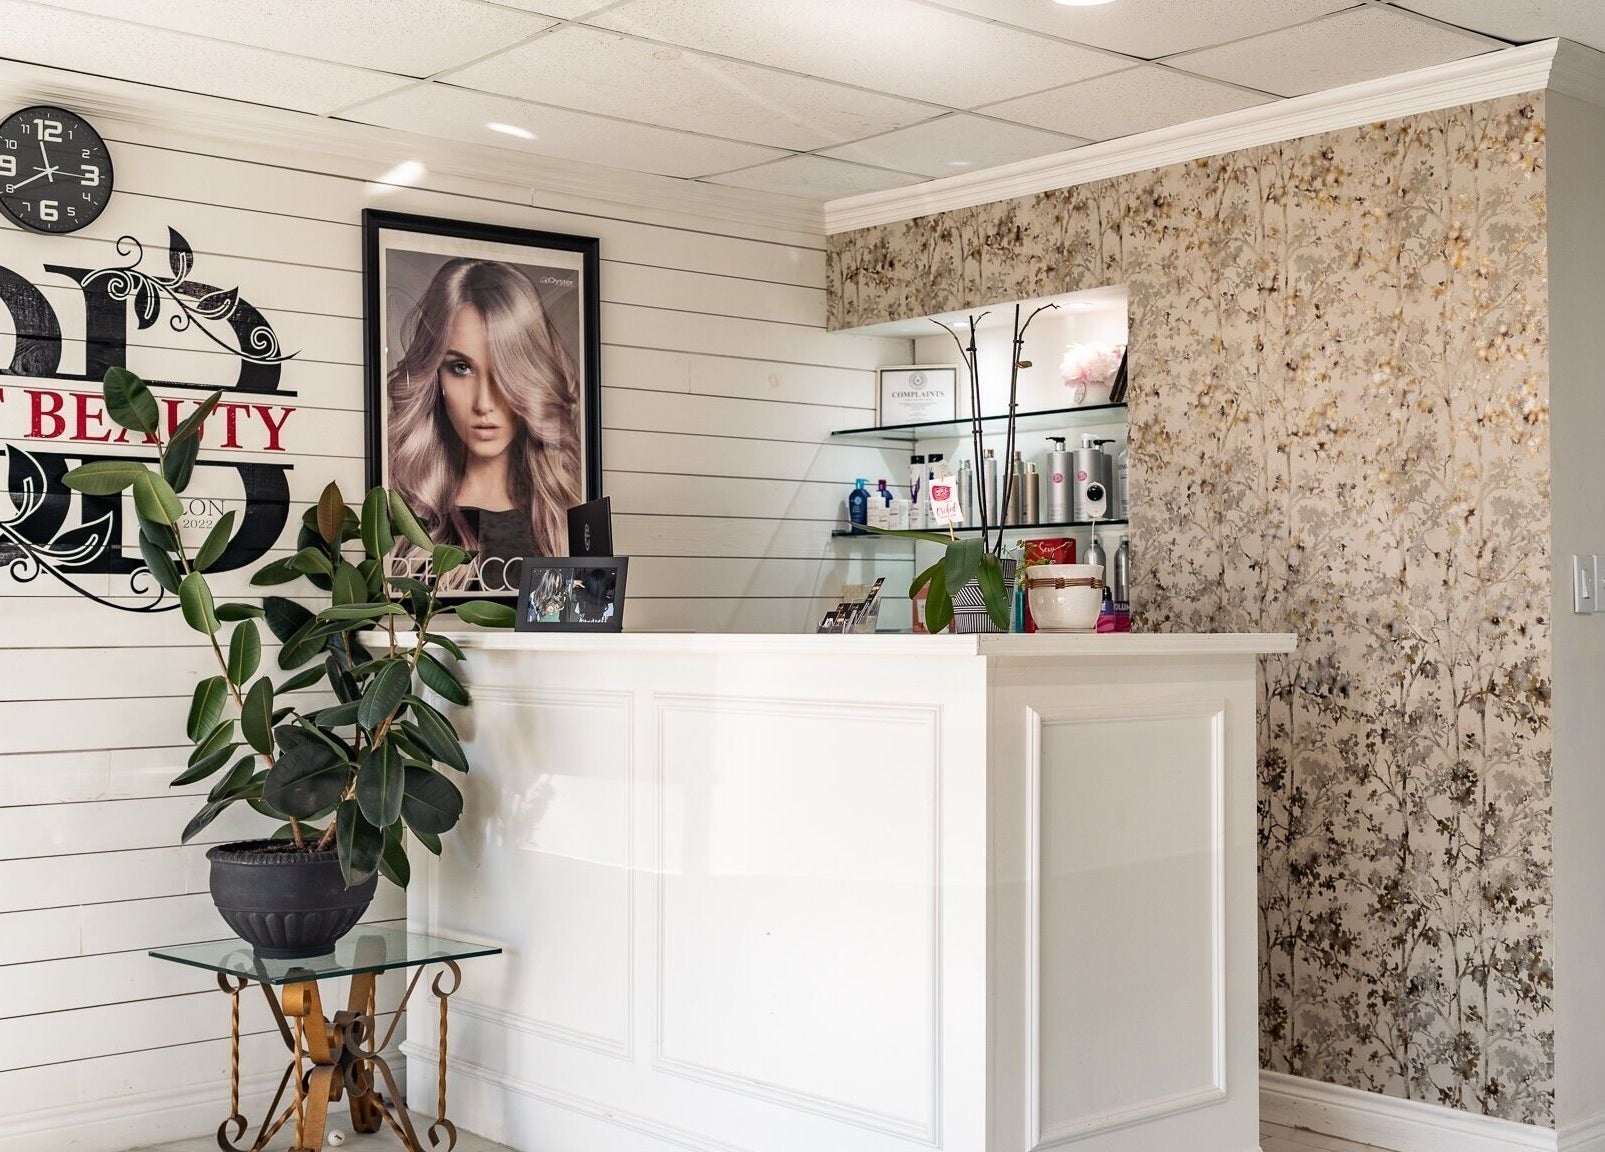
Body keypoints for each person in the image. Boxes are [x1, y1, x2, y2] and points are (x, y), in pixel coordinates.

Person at [387, 257, 582, 592]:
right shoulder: (404, 512)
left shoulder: (565, 515)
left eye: (504, 371)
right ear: (434, 375)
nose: (484, 403)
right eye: (461, 367)